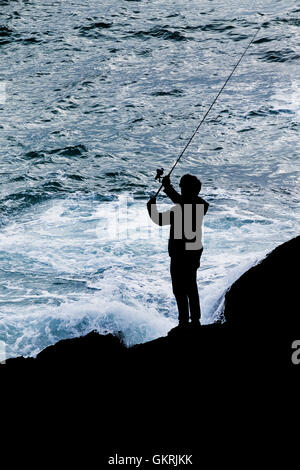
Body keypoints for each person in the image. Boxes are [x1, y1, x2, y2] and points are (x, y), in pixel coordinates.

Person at [147, 174, 209, 329]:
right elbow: (159, 220)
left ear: (191, 190)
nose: (181, 189)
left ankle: (190, 321)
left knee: (187, 288)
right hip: (184, 253)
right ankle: (188, 321)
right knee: (182, 288)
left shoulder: (199, 205)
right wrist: (151, 207)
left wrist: (167, 187)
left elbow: (182, 202)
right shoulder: (185, 207)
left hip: (186, 254)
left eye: (183, 187)